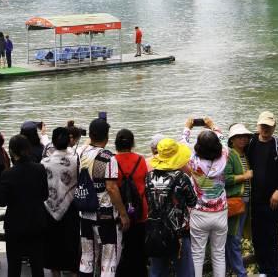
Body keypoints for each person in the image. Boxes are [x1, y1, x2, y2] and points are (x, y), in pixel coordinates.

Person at [78, 117, 130, 277]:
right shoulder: (108, 158)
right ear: (107, 137)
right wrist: (123, 214)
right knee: (108, 259)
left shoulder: (80, 153)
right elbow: (111, 188)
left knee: (87, 258)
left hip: (85, 213)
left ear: (90, 135)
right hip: (105, 215)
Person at [246, 111, 278, 277]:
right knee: (258, 236)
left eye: (269, 126)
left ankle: (273, 271)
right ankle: (263, 270)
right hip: (255, 200)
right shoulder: (250, 143)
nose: (265, 129)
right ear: (258, 125)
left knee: (272, 236)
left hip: (273, 201)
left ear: (274, 127)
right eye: (263, 126)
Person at [0, 135, 49, 277]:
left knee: (14, 266)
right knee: (37, 265)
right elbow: (45, 195)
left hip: (15, 224)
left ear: (12, 152)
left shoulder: (7, 174)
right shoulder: (39, 169)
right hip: (36, 222)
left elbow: (2, 201)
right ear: (28, 149)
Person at [144, 138, 196, 277]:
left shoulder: (148, 177)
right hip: (178, 231)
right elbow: (192, 201)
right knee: (184, 270)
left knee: (157, 270)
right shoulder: (181, 177)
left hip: (155, 229)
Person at [183, 128, 229, 277]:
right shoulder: (224, 157)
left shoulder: (193, 160)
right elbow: (224, 140)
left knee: (197, 254)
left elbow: (183, 144)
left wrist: (187, 128)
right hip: (220, 211)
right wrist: (213, 126)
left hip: (199, 212)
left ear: (198, 147)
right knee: (219, 253)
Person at [42, 126, 80, 276]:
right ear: (68, 141)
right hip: (71, 206)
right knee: (71, 243)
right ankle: (74, 273)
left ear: (53, 141)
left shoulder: (44, 162)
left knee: (53, 244)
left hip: (49, 207)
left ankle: (56, 273)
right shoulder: (76, 160)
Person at [114, 129, 148, 277]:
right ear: (132, 143)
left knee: (123, 248)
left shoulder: (112, 161)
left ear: (116, 143)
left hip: (120, 210)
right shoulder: (141, 160)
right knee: (139, 248)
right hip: (140, 210)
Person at [223, 124, 252, 277]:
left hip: (245, 203)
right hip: (235, 203)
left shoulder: (245, 154)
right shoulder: (229, 155)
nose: (243, 139)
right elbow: (225, 179)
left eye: (245, 136)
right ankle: (241, 273)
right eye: (238, 137)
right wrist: (244, 176)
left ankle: (229, 270)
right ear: (232, 140)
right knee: (234, 238)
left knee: (236, 237)